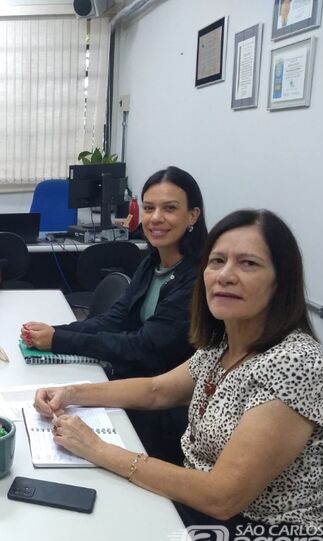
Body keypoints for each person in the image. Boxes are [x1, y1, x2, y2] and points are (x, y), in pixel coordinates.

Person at [34, 209, 323, 541]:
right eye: (217, 261)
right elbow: (156, 389)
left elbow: (221, 497)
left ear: (281, 282)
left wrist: (98, 450)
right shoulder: (226, 343)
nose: (225, 275)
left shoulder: (296, 363)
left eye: (248, 263)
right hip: (201, 514)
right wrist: (71, 392)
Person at [22, 166, 207, 463]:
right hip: (127, 387)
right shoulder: (152, 263)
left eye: (169, 208)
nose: (156, 217)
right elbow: (114, 319)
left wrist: (60, 340)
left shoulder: (197, 280)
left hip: (160, 414)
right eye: (149, 208)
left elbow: (143, 348)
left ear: (193, 215)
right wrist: (56, 331)